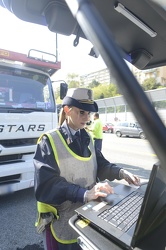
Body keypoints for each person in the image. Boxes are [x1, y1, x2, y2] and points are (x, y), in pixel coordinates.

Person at [33, 88, 140, 250]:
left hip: (88, 215)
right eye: (82, 112)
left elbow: (100, 165)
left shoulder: (86, 137)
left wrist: (121, 172)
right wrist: (84, 194)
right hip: (63, 220)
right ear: (68, 110)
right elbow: (46, 185)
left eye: (88, 113)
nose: (87, 118)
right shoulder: (49, 141)